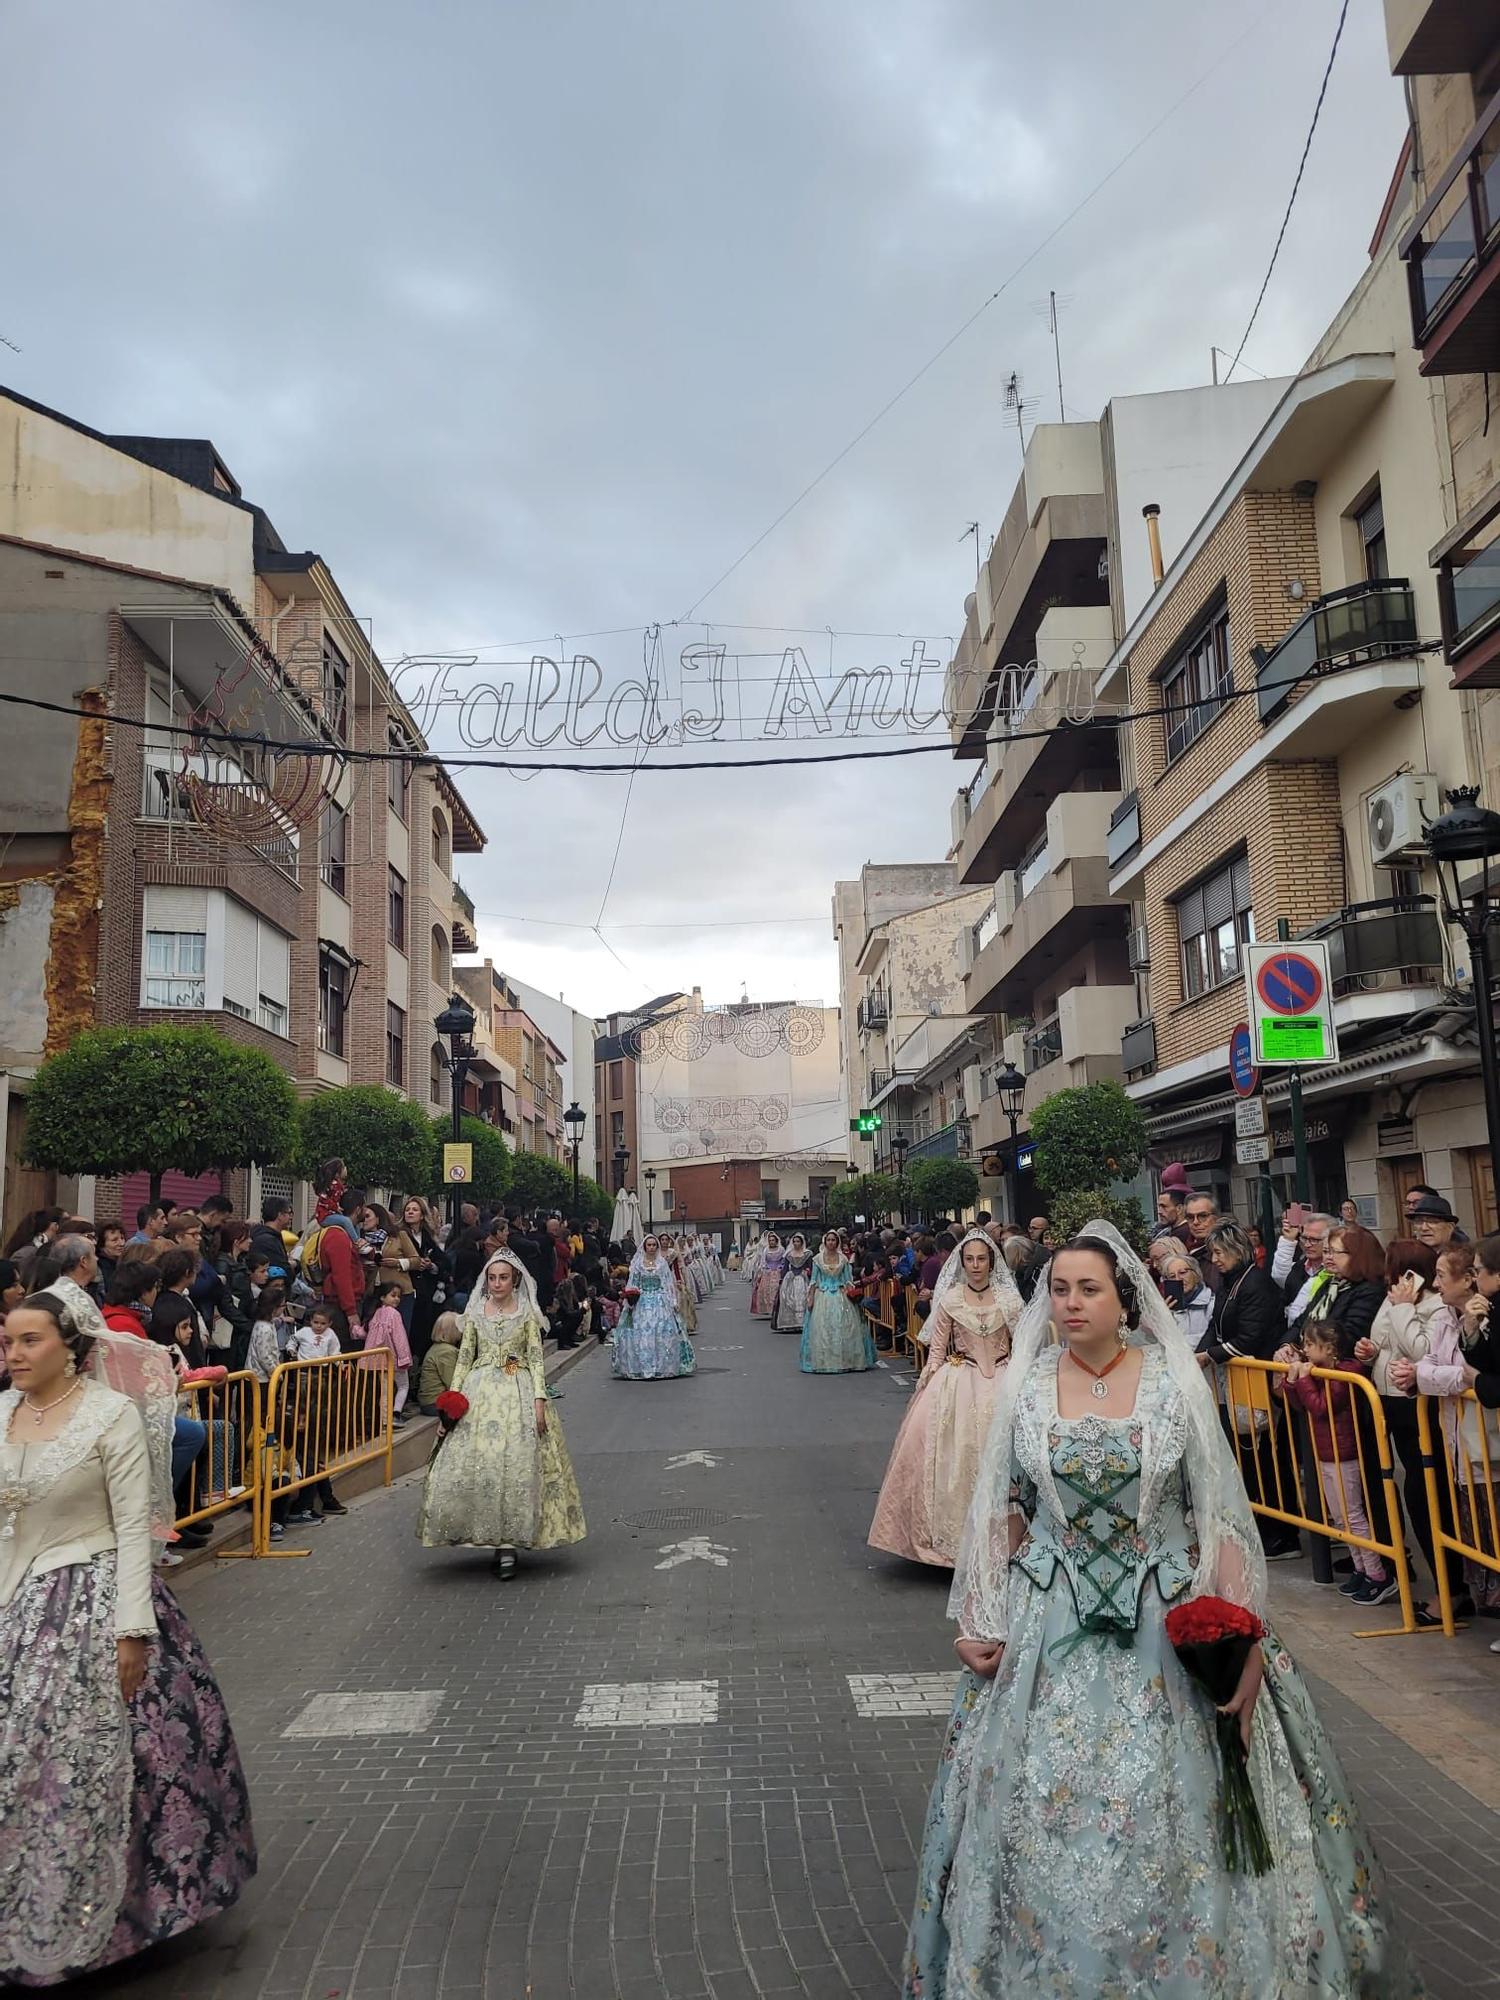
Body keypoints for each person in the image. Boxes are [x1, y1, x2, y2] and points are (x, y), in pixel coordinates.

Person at [903, 1224, 1411, 1997]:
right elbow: (1004, 1507)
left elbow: (1216, 1516)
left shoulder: (1173, 1384)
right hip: (1050, 1621)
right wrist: (984, 1615)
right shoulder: (1026, 1386)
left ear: (1125, 1299)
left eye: (1089, 1290)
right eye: (1062, 1289)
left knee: (1186, 1820)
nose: (1071, 1304)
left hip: (1168, 1619)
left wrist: (1239, 1636)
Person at [0, 1294, 254, 1983]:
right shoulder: (0, 1415)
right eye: (8, 1341)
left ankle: (117, 1915)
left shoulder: (109, 1415)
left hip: (95, 1593)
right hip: (14, 1599)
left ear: (69, 1345)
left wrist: (131, 1631)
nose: (15, 1354)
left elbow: (135, 1529)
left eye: (29, 1341)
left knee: (97, 1759)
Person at [417, 1250, 586, 1576]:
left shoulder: (526, 1313)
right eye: (492, 1277)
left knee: (518, 1464)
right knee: (484, 1465)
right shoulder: (475, 1312)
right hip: (479, 1391)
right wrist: (451, 1402)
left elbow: (536, 1359)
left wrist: (539, 1399)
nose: (496, 1283)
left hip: (517, 1389)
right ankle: (488, 1535)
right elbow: (464, 1358)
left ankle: (509, 1543)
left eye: (503, 1277)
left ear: (515, 1280)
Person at [868, 1229, 1021, 1567]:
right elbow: (937, 1349)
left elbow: (1020, 1344)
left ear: (992, 1261)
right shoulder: (950, 1299)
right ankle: (949, 1542)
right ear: (962, 1262)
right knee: (949, 1452)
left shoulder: (1010, 1301)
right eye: (970, 1259)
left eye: (982, 1259)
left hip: (1003, 1376)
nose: (976, 1265)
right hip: (960, 1377)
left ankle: (1008, 1539)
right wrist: (928, 1378)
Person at [1360, 1237, 1466, 1625]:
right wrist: (1369, 1351)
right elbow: (1387, 1341)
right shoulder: (1397, 1300)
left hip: (1419, 1408)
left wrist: (1403, 1308)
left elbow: (1420, 1349)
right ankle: (1446, 1588)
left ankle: (1450, 1590)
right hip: (1391, 1401)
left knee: (1427, 1496)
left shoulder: (1435, 1307)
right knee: (1414, 1494)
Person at [1199, 1217, 1302, 1561]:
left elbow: (1250, 1338)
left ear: (1235, 1250)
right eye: (1211, 1254)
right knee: (1248, 1457)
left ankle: (1282, 1532)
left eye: (1218, 1253)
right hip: (1237, 1383)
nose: (1214, 1260)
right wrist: (1200, 1352)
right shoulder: (1230, 1283)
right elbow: (1217, 1326)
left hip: (1258, 1381)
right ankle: (1259, 1520)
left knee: (1268, 1458)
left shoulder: (1255, 1284)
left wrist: (1209, 1356)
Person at [1276, 1316, 1397, 1606]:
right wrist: (1292, 1383)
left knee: (1353, 1514)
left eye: (1309, 1344)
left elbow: (1319, 1407)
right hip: (1325, 1451)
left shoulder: (1344, 1374)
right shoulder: (1319, 1371)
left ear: (1329, 1348)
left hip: (1344, 1452)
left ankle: (1378, 1576)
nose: (1304, 1350)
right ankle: (1360, 1568)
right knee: (1340, 1516)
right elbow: (1300, 1406)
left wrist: (1303, 1379)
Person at [1413, 1239, 1500, 1635]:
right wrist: (1450, 1379)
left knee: (1492, 1528)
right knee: (1475, 1532)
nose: (1434, 1283)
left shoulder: (1486, 1314)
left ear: (1470, 1278)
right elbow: (1427, 1369)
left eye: (1440, 1276)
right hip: (1459, 1443)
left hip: (1486, 1440)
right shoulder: (1444, 1315)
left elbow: (1476, 1370)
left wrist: (1463, 1378)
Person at [613, 1237, 695, 1380]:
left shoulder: (661, 1263)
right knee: (642, 1331)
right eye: (649, 1245)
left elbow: (667, 1283)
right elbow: (633, 1283)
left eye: (653, 1245)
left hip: (660, 1299)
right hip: (642, 1301)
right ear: (644, 1247)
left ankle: (662, 1366)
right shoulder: (638, 1264)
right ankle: (642, 1366)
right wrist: (630, 1300)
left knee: (661, 1329)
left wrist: (672, 1301)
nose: (651, 1247)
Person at [801, 1232, 875, 1374]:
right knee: (823, 1329)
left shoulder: (843, 1259)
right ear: (825, 1242)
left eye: (833, 1240)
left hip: (841, 1296)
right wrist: (810, 1298)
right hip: (823, 1295)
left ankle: (846, 1360)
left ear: (837, 1242)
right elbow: (814, 1280)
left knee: (844, 1327)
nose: (831, 1242)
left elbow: (848, 1279)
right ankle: (824, 1360)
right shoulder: (817, 1259)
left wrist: (850, 1291)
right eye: (828, 1240)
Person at [353, 1278, 414, 1423]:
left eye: (399, 1296)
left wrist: (355, 1329)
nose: (397, 1299)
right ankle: (393, 1416)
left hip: (374, 1359)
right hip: (392, 1358)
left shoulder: (375, 1314)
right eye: (393, 1295)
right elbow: (400, 1338)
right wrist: (404, 1359)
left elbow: (364, 1333)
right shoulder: (394, 1314)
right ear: (382, 1297)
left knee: (383, 1390)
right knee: (403, 1386)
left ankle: (384, 1418)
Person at [399, 1194, 447, 1367]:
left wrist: (432, 1265)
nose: (410, 1212)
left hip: (426, 1291)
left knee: (423, 1330)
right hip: (406, 1288)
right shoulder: (400, 1234)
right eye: (407, 1209)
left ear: (421, 1214)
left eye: (414, 1209)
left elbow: (443, 1262)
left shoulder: (427, 1237)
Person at [418, 1311, 464, 1412]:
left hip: (430, 1401)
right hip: (434, 1403)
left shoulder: (438, 1348)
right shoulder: (446, 1352)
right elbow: (452, 1383)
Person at [774, 1232, 813, 1334]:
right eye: (794, 1241)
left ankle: (803, 1322)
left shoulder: (807, 1253)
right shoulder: (789, 1254)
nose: (796, 1243)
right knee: (788, 1298)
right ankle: (790, 1322)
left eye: (798, 1241)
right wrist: (782, 1279)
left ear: (802, 1242)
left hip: (803, 1277)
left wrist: (809, 1274)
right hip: (790, 1278)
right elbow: (785, 1268)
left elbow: (811, 1267)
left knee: (803, 1298)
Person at [249, 1196, 294, 1273]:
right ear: (280, 1215)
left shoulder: (260, 1235)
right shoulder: (268, 1241)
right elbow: (284, 1272)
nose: (291, 1217)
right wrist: (295, 1264)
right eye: (289, 1213)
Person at [749, 1231, 786, 1320]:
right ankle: (769, 1309)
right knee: (766, 1291)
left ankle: (776, 1308)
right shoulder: (766, 1250)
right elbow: (763, 1261)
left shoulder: (781, 1249)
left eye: (773, 1240)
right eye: (770, 1240)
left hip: (778, 1272)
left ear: (776, 1241)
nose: (771, 1242)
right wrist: (766, 1268)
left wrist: (780, 1268)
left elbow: (784, 1261)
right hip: (768, 1272)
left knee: (776, 1289)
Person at [1151, 1162, 1192, 1241]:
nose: (1159, 1212)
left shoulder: (1183, 1234)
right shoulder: (1167, 1230)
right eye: (1159, 1206)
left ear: (1179, 1208)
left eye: (1164, 1206)